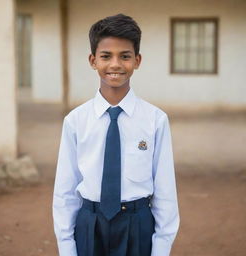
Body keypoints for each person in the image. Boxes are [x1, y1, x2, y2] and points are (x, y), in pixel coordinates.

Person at [53, 13, 180, 256]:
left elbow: (166, 192)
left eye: (125, 56)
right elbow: (65, 191)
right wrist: (67, 248)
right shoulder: (75, 121)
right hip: (89, 223)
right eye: (105, 56)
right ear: (92, 60)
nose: (115, 64)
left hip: (137, 224)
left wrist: (161, 248)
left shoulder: (155, 120)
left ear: (137, 60)